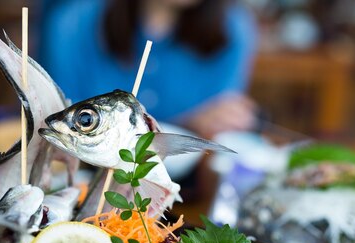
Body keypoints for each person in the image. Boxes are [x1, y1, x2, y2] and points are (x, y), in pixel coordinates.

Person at [39, 0, 258, 139]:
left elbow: (219, 133)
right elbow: (58, 125)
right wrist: (187, 124)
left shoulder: (233, 30)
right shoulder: (74, 23)